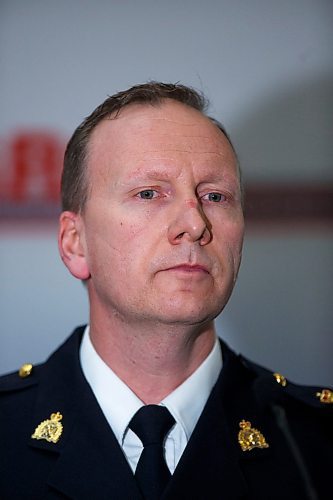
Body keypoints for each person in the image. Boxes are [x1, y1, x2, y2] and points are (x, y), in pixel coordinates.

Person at [0, 82, 332, 500]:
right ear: (75, 243)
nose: (194, 224)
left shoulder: (314, 441)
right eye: (149, 193)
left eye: (215, 195)